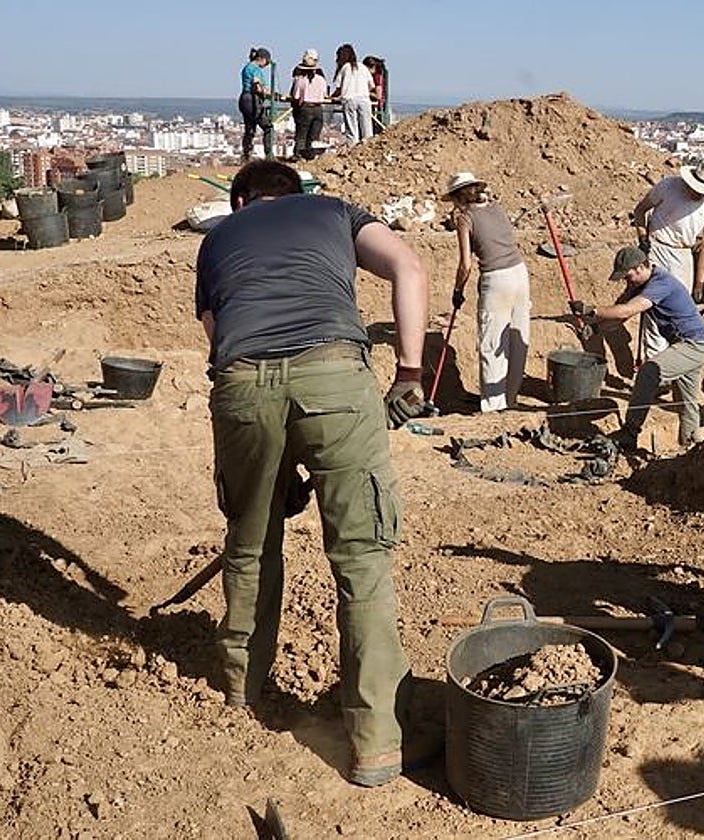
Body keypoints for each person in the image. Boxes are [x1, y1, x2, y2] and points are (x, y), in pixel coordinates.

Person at [194, 160, 430, 786]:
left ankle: (242, 691)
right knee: (360, 558)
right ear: (295, 194)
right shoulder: (334, 211)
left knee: (250, 544)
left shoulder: (216, 239)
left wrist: (276, 460)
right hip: (336, 378)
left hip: (242, 388)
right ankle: (376, 744)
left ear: (241, 200)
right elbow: (408, 266)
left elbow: (220, 343)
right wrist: (409, 371)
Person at [572, 246, 704, 448]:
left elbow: (626, 310)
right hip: (684, 345)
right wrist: (595, 329)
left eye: (628, 276)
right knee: (686, 404)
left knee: (648, 372)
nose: (626, 282)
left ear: (641, 267)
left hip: (693, 345)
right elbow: (620, 317)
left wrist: (591, 311)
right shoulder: (638, 286)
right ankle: (689, 448)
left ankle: (630, 432)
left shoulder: (661, 283)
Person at [443, 171, 531, 412]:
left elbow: (466, 264)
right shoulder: (497, 208)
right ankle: (510, 400)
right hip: (520, 273)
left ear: (459, 196)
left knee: (492, 343)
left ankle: (494, 408)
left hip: (496, 279)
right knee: (516, 338)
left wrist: (458, 290)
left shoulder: (465, 218)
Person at [631, 161, 704, 362]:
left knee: (677, 310)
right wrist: (642, 238)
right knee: (653, 310)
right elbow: (640, 211)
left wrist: (699, 282)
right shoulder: (668, 186)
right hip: (657, 247)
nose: (699, 194)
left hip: (683, 255)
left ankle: (672, 362)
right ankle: (654, 365)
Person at [289, 49, 327, 161]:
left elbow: (295, 96)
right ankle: (311, 156)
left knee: (301, 134)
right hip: (318, 109)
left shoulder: (300, 80)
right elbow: (325, 95)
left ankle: (299, 155)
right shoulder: (321, 80)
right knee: (314, 136)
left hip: (305, 108)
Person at [331, 44, 374, 144]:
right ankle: (368, 147)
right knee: (367, 128)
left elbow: (338, 88)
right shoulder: (363, 67)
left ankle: (352, 149)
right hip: (364, 100)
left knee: (352, 130)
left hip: (349, 100)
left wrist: (331, 96)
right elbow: (371, 86)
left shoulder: (344, 68)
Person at [239, 47, 274, 163]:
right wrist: (267, 92)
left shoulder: (246, 68)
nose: (266, 65)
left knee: (250, 129)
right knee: (268, 127)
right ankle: (269, 156)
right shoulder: (255, 69)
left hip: (244, 99)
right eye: (267, 62)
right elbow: (257, 85)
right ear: (262, 59)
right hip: (253, 100)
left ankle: (246, 155)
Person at [363, 55, 390, 128]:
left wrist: (366, 92)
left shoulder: (377, 77)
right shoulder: (377, 76)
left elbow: (378, 96)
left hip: (377, 103)